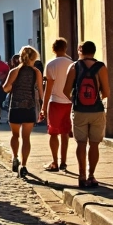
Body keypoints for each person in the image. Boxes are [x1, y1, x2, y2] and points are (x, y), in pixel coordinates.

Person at [63, 41, 110, 188]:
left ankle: (82, 175)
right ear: (94, 51)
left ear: (80, 50)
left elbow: (65, 90)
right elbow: (107, 92)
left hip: (79, 111)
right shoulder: (101, 67)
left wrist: (76, 100)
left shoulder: (74, 66)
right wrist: (95, 100)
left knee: (81, 143)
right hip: (97, 111)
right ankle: (92, 176)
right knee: (94, 144)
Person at [2, 46, 43, 178]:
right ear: (34, 58)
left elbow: (5, 88)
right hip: (29, 107)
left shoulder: (15, 71)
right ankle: (24, 165)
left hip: (15, 106)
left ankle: (15, 157)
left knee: (15, 135)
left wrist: (13, 87)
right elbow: (41, 93)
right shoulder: (36, 72)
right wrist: (43, 108)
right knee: (26, 138)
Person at [41, 38, 73, 173]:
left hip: (55, 102)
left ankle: (54, 161)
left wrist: (43, 106)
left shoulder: (50, 64)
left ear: (53, 49)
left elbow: (48, 88)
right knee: (65, 132)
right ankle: (64, 162)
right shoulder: (71, 63)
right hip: (68, 102)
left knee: (53, 133)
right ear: (65, 48)